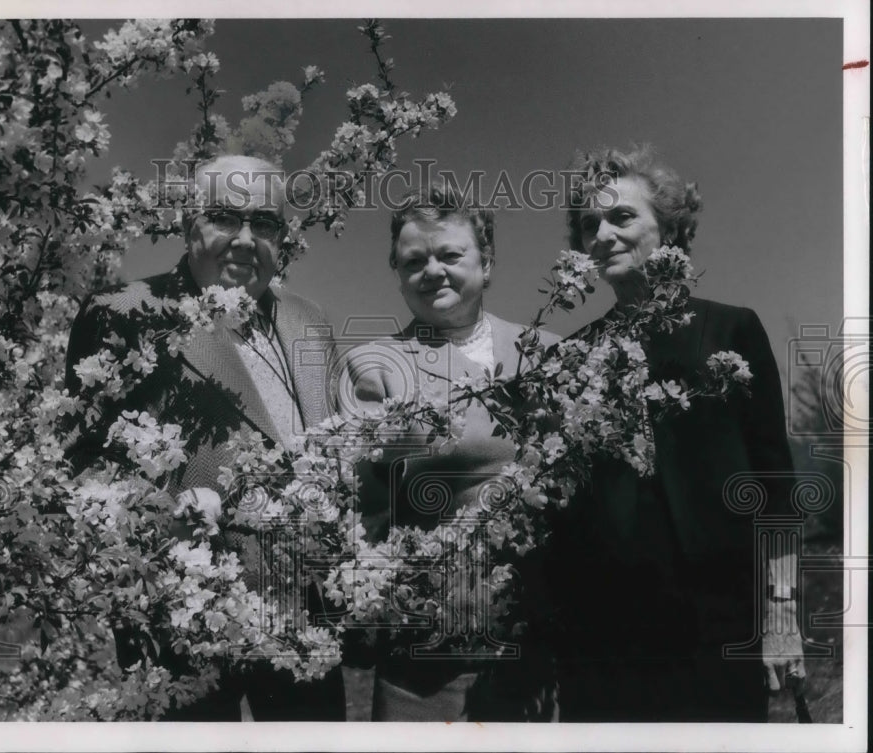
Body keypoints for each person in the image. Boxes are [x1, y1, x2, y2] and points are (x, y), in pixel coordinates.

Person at [65, 155, 346, 721]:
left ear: (282, 238)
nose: (245, 241)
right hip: (186, 616)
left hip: (303, 614)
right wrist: (161, 513)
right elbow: (83, 463)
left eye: (263, 223)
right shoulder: (124, 313)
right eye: (225, 218)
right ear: (189, 224)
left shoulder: (309, 318)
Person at [550, 144, 805, 722]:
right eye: (590, 224)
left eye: (621, 216)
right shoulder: (568, 358)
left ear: (668, 228)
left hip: (717, 626)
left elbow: (777, 488)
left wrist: (782, 615)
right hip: (604, 644)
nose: (603, 234)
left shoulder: (732, 329)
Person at [338, 181, 560, 722]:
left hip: (543, 645)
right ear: (398, 276)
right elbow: (364, 505)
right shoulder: (376, 366)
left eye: (450, 255)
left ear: (487, 265)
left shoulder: (553, 352)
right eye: (414, 261)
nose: (432, 270)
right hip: (434, 652)